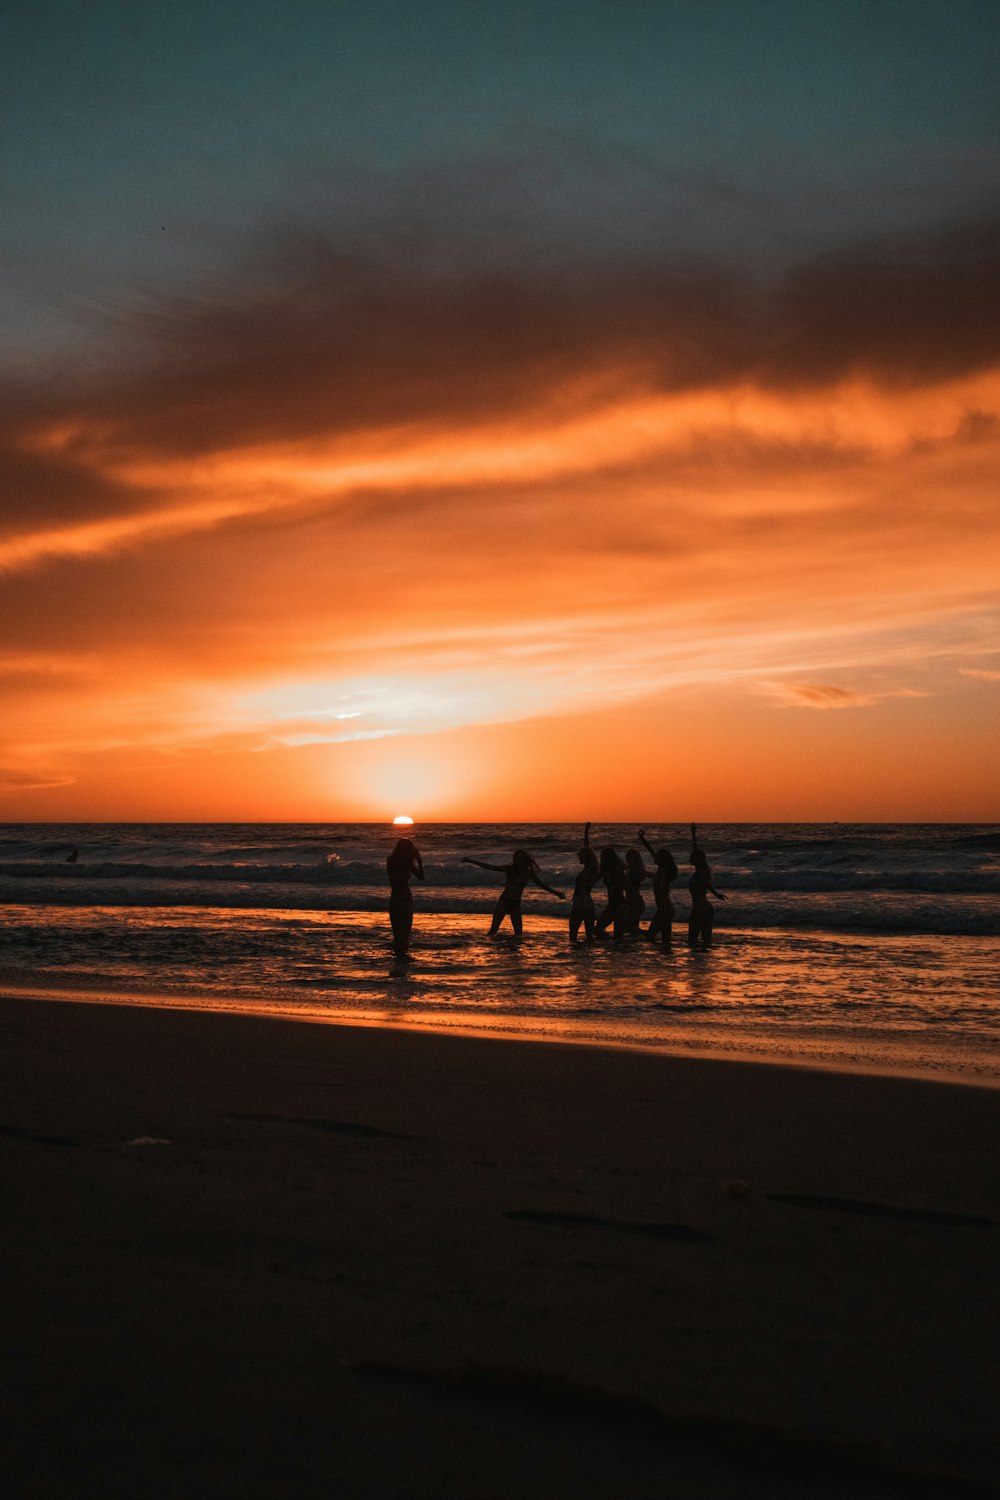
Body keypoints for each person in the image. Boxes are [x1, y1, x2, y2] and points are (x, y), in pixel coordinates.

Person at [462, 849, 565, 936]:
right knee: (493, 931)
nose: (518, 860)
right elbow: (490, 867)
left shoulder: (528, 873)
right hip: (504, 901)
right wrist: (472, 861)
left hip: (515, 904)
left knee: (518, 934)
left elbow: (541, 885)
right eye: (516, 858)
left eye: (520, 858)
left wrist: (556, 893)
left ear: (525, 860)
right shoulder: (509, 869)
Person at [688, 824, 726, 948]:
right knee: (706, 941)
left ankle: (698, 964)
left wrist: (716, 894)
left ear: (697, 859)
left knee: (692, 940)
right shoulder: (703, 869)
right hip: (706, 907)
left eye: (692, 857)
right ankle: (704, 964)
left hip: (699, 908)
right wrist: (693, 835)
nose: (690, 858)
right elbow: (695, 850)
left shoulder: (700, 872)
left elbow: (706, 883)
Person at [639, 829, 678, 948]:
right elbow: (652, 853)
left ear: (662, 859)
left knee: (650, 936)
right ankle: (666, 960)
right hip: (666, 909)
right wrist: (643, 840)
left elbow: (662, 881)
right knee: (666, 940)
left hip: (664, 909)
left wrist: (661, 883)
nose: (655, 857)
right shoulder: (661, 869)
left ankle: (658, 960)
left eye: (658, 856)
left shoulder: (664, 870)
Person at [387, 837, 424, 955]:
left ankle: (397, 957)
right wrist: (419, 862)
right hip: (405, 898)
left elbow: (393, 879)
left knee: (397, 932)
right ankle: (403, 959)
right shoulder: (408, 863)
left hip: (394, 898)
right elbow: (421, 877)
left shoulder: (390, 860)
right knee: (405, 932)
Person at [569, 822, 600, 943]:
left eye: (582, 856)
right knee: (589, 936)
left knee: (574, 935)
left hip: (581, 902)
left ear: (587, 858)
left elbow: (582, 889)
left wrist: (578, 903)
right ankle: (587, 959)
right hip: (587, 902)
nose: (579, 858)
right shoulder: (591, 869)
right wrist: (586, 832)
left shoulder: (591, 871)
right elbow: (587, 847)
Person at [596, 847, 628, 939]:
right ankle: (609, 943)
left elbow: (623, 883)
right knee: (598, 928)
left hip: (619, 904)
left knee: (618, 935)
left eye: (602, 856)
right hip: (612, 904)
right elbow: (595, 878)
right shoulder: (606, 870)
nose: (601, 858)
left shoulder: (617, 870)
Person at [623, 847, 654, 934]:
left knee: (631, 927)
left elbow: (651, 875)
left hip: (636, 901)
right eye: (627, 856)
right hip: (631, 900)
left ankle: (648, 935)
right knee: (631, 927)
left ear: (636, 858)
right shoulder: (628, 869)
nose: (628, 858)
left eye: (630, 856)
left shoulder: (637, 869)